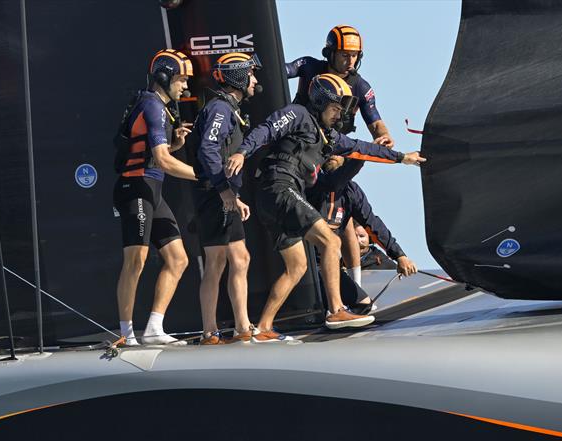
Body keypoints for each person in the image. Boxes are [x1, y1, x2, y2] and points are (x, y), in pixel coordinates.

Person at [225, 74, 423, 337]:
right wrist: (242, 151)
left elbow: (363, 148)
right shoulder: (298, 114)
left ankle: (263, 328)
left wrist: (402, 158)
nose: (340, 115)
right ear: (320, 102)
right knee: (331, 242)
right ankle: (336, 310)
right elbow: (267, 129)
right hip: (279, 186)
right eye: (336, 108)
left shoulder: (330, 136)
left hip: (277, 197)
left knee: (297, 266)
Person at [285, 25, 394, 286]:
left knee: (345, 218)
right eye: (344, 55)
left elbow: (375, 121)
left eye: (355, 55)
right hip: (302, 151)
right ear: (329, 53)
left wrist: (385, 137)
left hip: (333, 153)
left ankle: (355, 286)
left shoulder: (360, 85)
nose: (350, 61)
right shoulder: (309, 66)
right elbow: (282, 69)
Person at [112, 49, 197, 346]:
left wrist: (174, 144)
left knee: (178, 259)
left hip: (152, 190)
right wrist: (206, 175)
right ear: (164, 76)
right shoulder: (152, 106)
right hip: (135, 188)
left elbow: (158, 155)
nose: (185, 86)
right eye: (181, 79)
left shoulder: (161, 107)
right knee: (136, 260)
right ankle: (126, 333)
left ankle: (153, 329)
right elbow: (162, 161)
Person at [192, 52, 261, 345]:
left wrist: (233, 195)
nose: (255, 80)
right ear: (239, 78)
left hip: (221, 195)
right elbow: (208, 150)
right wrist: (225, 192)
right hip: (215, 195)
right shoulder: (221, 109)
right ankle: (221, 330)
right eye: (251, 75)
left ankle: (234, 328)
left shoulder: (226, 108)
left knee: (231, 259)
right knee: (223, 260)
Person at [308, 156, 418, 313]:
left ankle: (351, 290)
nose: (333, 155)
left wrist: (399, 255)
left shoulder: (351, 191)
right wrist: (363, 156)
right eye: (329, 152)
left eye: (338, 152)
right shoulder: (312, 185)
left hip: (329, 264)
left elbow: (372, 223)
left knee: (364, 305)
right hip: (308, 264)